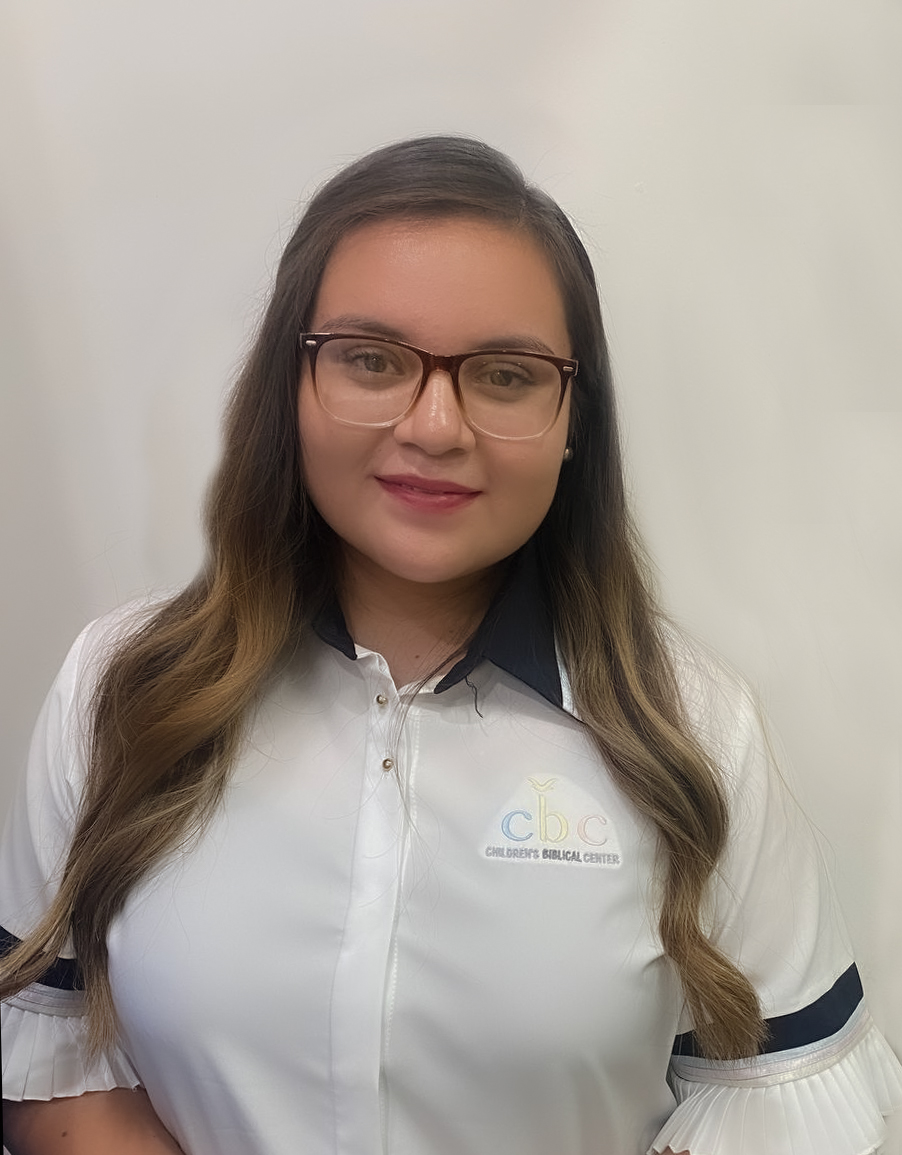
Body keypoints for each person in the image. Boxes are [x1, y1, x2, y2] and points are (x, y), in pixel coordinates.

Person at [1, 136, 900, 1155]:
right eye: (371, 360)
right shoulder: (122, 690)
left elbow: (779, 1099)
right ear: (290, 384)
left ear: (572, 417)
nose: (435, 426)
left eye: (505, 375)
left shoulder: (692, 728)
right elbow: (49, 1056)